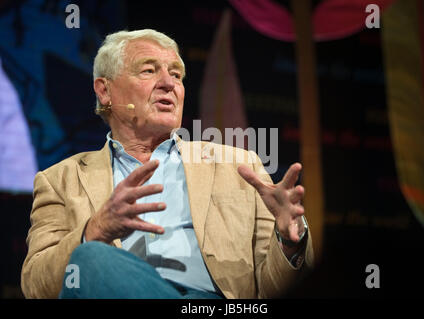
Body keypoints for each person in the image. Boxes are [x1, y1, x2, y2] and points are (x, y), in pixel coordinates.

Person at [21, 29, 314, 299]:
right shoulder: (60, 180)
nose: (168, 83)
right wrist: (95, 229)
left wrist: (290, 241)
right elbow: (36, 285)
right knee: (90, 258)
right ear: (105, 91)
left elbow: (273, 289)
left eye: (176, 75)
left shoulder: (237, 165)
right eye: (149, 70)